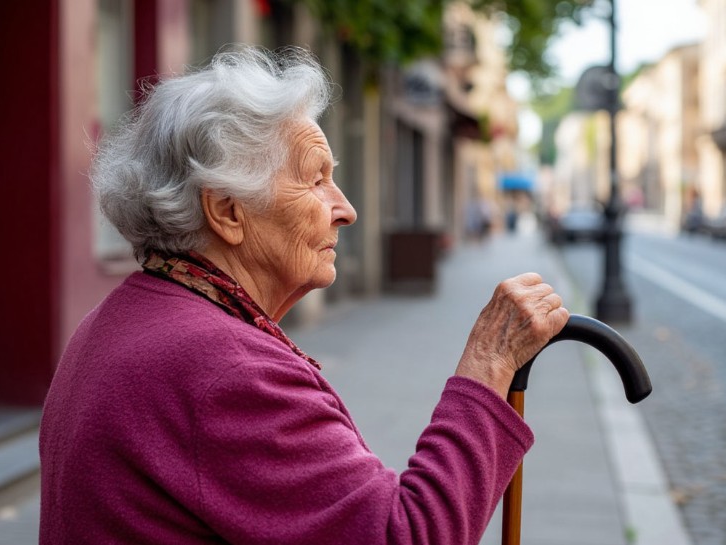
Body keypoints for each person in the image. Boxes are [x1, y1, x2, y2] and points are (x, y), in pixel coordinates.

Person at [39, 47, 569, 544]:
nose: (345, 208)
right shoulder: (222, 368)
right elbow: (407, 534)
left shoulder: (128, 317)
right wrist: (490, 362)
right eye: (315, 181)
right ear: (226, 211)